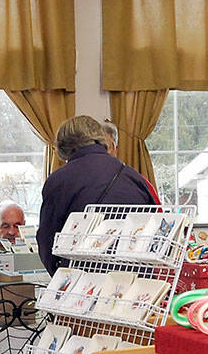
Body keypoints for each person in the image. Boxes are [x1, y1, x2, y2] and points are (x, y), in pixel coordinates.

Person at [35, 115, 159, 274]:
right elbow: (155, 225)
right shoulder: (133, 176)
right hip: (134, 277)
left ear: (64, 146)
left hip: (83, 280)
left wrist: (60, 274)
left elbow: (47, 240)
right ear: (102, 140)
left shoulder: (58, 181)